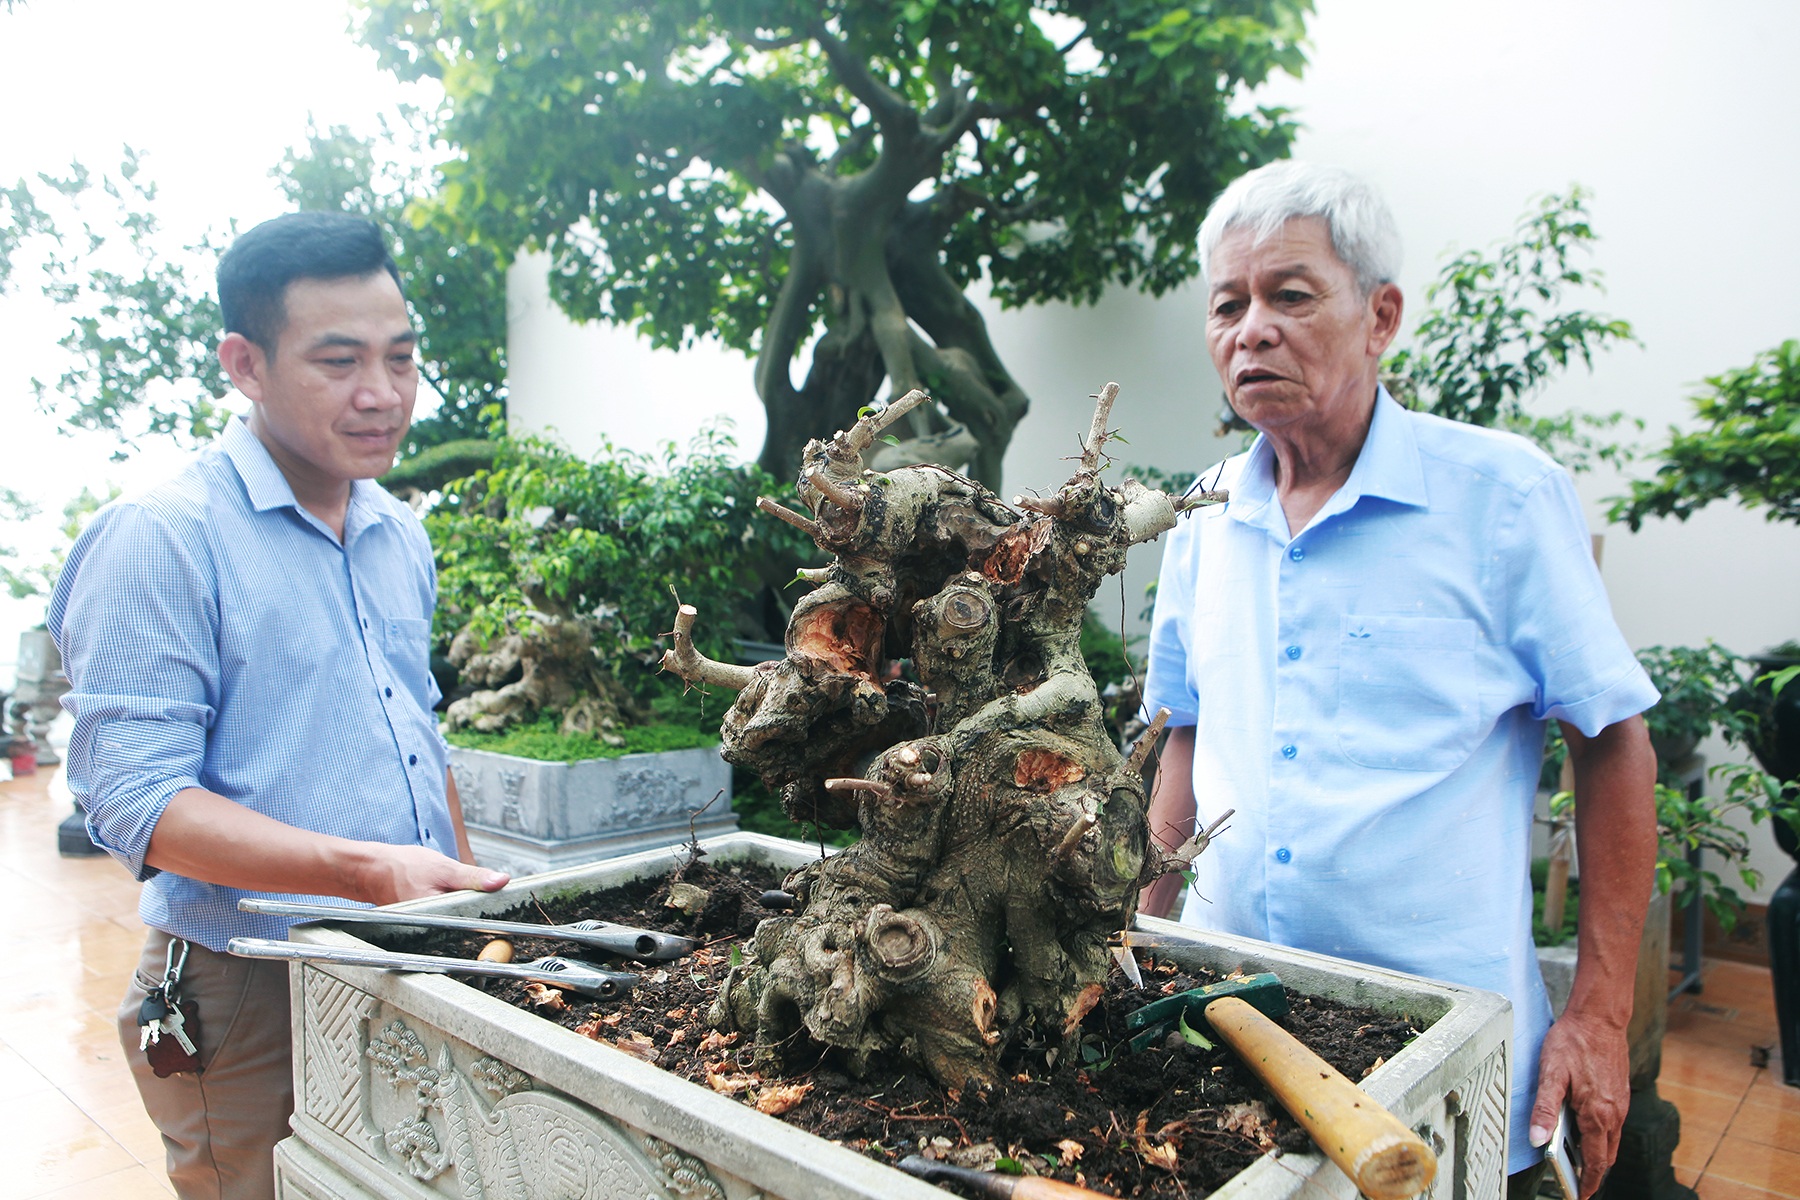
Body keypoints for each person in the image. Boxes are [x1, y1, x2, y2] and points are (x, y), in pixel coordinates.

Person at [1139, 162, 1659, 1199]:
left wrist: (1600, 1013)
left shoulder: (1501, 499)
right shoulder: (1203, 513)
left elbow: (1613, 742)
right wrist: (1142, 940)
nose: (1252, 330)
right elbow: (1179, 733)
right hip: (1227, 1016)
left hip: (1437, 1045)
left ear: (1381, 316)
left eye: (1291, 295)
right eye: (1228, 304)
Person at [48, 211, 510, 1200]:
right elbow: (138, 805)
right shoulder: (162, 537)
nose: (382, 394)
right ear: (244, 364)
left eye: (400, 357)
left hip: (408, 947)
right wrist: (363, 872)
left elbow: (416, 731)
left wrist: (462, 895)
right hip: (247, 977)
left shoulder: (399, 534)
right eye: (338, 362)